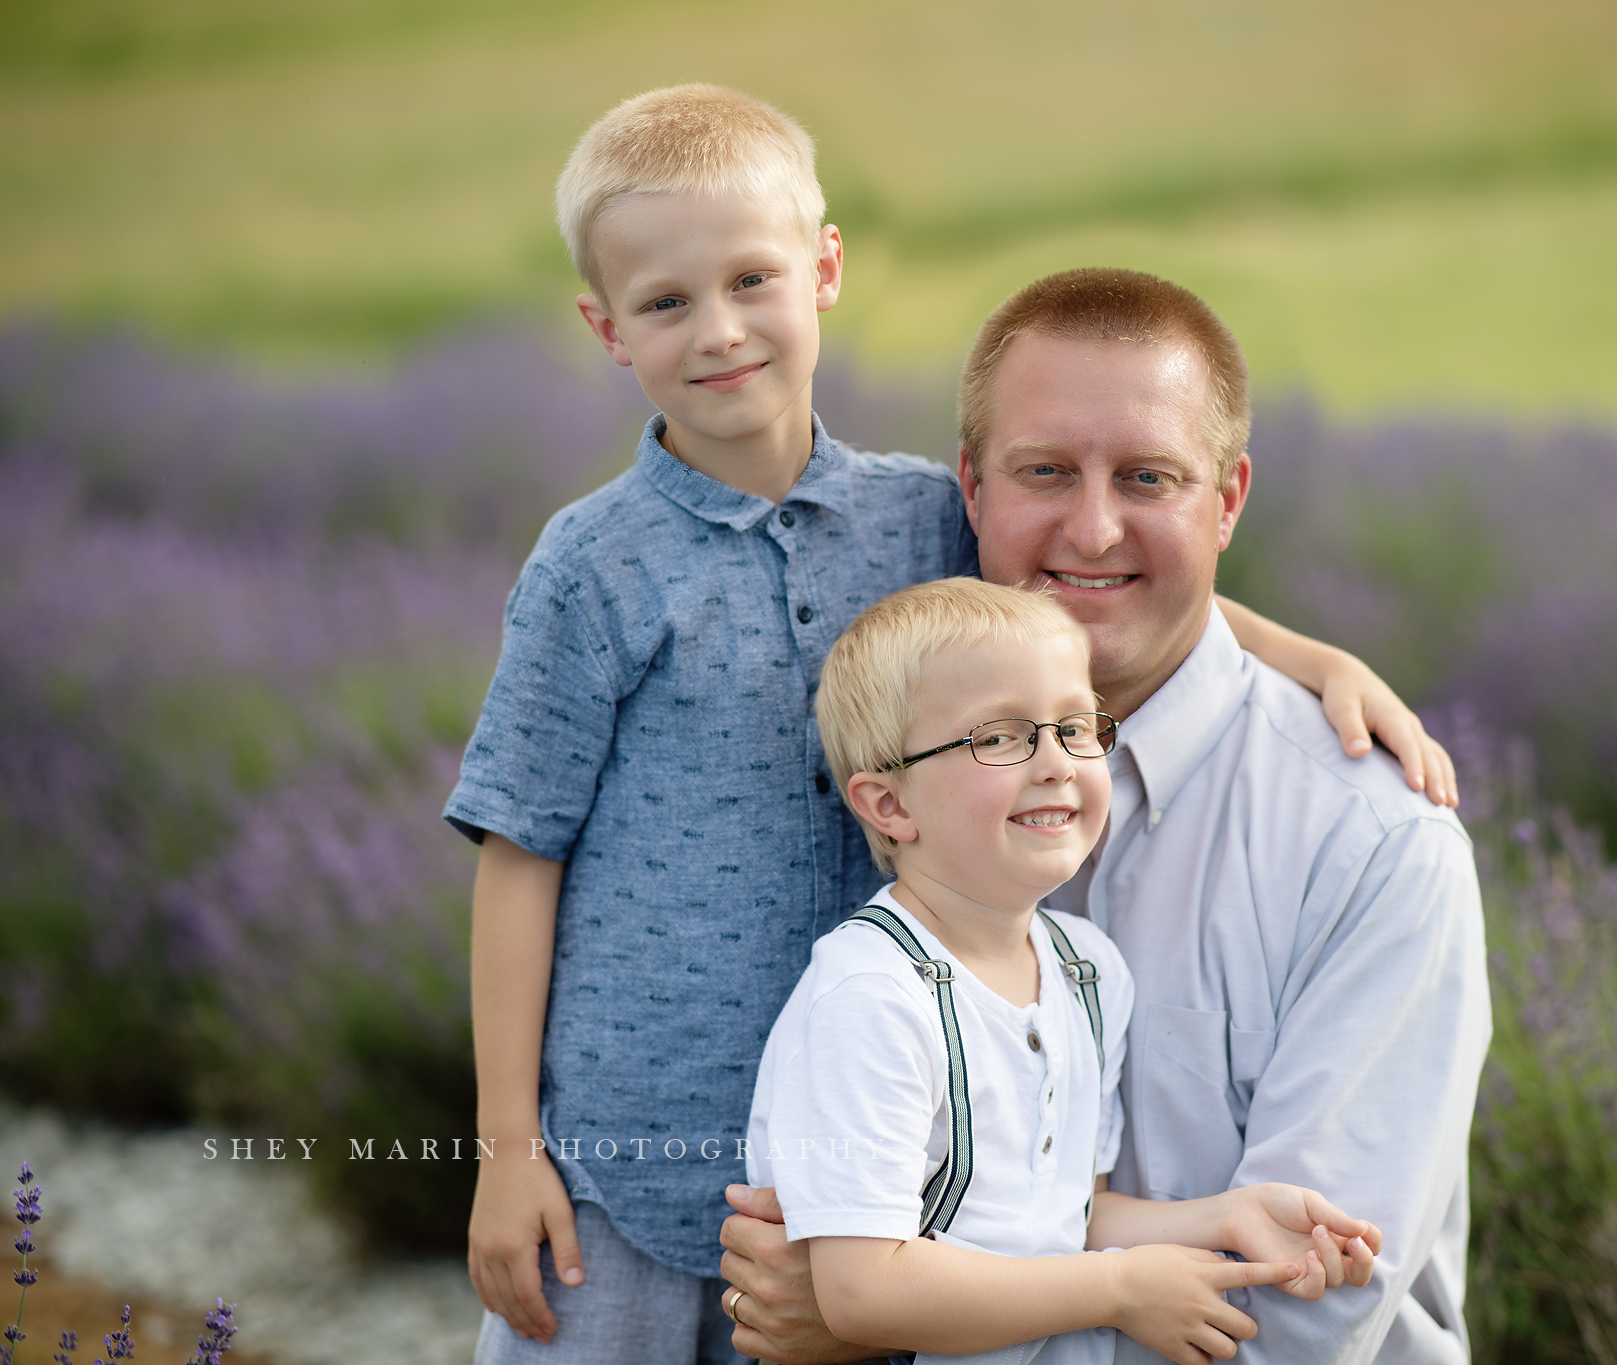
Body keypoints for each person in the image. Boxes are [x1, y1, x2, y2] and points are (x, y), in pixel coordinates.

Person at [446, 87, 1454, 1364]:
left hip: (873, 1159)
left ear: (823, 271)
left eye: (752, 280)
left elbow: (1098, 583)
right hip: (629, 1156)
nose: (718, 332)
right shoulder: (591, 568)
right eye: (664, 304)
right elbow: (518, 851)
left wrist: (1310, 658)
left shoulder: (918, 520)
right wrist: (508, 1149)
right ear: (604, 327)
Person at [720, 269, 1491, 1365]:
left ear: (1225, 500)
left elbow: (1298, 1316)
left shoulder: (1371, 844)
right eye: (1043, 472)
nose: (1090, 529)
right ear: (970, 491)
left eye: (1147, 477)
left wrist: (883, 1322)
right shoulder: (899, 722)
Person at [742, 577, 1382, 1365]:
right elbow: (862, 1289)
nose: (1055, 762)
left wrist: (1228, 1217)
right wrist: (1118, 1288)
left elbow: (1063, 1217)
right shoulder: (871, 996)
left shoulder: (1086, 970)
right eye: (1000, 738)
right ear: (890, 805)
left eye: (1077, 727)